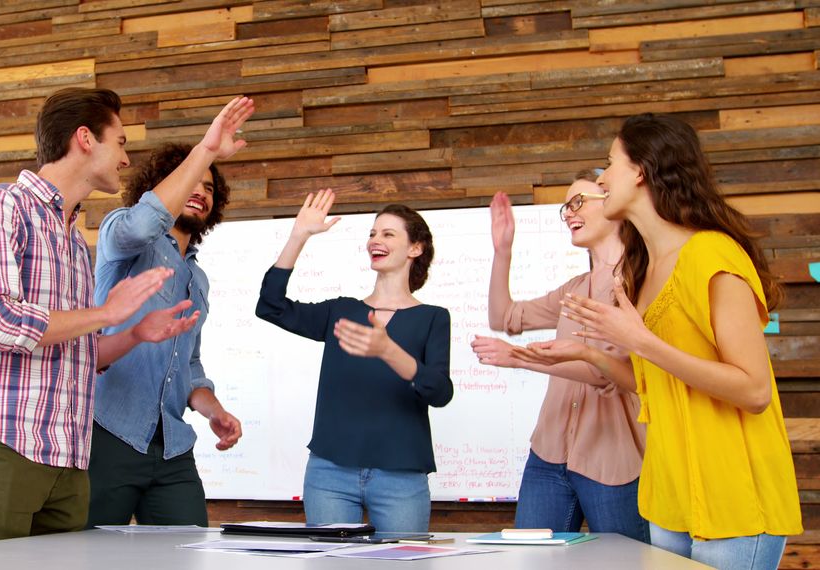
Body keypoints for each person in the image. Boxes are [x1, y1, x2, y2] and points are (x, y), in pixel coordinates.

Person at [521, 113, 802, 569]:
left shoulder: (712, 253)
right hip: (669, 499)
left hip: (733, 498)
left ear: (640, 171)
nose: (603, 180)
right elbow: (657, 383)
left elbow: (753, 391)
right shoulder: (644, 271)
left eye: (609, 164)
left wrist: (640, 340)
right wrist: (590, 352)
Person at [0, 87, 201, 544]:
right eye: (120, 142)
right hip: (3, 446)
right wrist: (104, 311)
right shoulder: (1, 205)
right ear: (85, 138)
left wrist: (136, 334)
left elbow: (82, 350)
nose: (126, 160)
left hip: (69, 462)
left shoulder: (73, 245)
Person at [88, 97, 255, 527]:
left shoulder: (197, 281)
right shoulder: (123, 234)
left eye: (210, 187)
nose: (200, 190)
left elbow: (189, 366)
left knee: (188, 552)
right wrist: (206, 152)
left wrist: (213, 410)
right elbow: (146, 224)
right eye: (192, 180)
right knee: (84, 556)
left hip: (173, 448)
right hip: (108, 434)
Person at [255, 189, 453, 533]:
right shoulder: (342, 311)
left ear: (415, 248)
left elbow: (440, 392)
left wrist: (388, 350)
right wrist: (299, 234)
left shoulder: (434, 318)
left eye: (388, 234)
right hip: (329, 473)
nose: (375, 240)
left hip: (401, 477)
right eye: (373, 233)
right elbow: (270, 306)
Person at [470, 173, 648, 543]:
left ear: (614, 204)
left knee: (626, 563)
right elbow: (503, 317)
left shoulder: (641, 283)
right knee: (532, 560)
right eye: (566, 206)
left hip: (613, 459)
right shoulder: (574, 289)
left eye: (578, 201)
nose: (568, 212)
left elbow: (609, 374)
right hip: (548, 455)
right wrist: (503, 252)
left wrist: (519, 359)